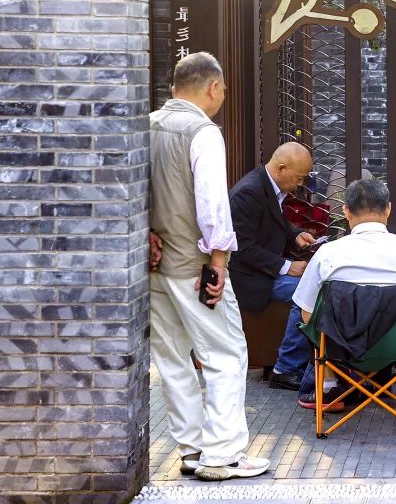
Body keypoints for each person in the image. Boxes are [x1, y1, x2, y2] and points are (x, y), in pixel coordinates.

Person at [148, 52, 270, 481]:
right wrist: (218, 261)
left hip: (154, 264)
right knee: (226, 354)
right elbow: (213, 205)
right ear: (214, 87)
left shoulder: (147, 125)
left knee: (171, 359)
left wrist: (145, 232)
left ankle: (192, 449)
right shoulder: (203, 132)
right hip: (196, 265)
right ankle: (223, 455)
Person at [292, 179, 396, 409]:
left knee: (312, 315)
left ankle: (329, 387)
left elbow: (307, 316)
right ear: (388, 209)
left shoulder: (327, 253)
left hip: (340, 348)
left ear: (346, 211)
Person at [227, 143, 317, 390]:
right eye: (299, 177)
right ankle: (285, 368)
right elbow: (243, 248)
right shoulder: (248, 193)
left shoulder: (266, 186)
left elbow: (274, 222)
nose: (300, 184)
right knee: (307, 292)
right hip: (250, 278)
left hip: (263, 271)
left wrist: (295, 235)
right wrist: (287, 267)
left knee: (314, 288)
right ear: (281, 168)